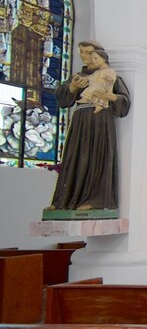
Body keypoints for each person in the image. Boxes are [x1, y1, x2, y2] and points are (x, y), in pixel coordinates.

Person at [47, 41, 131, 211]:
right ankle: (63, 201)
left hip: (100, 122)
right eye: (82, 53)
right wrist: (72, 87)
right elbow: (62, 100)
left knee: (95, 157)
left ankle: (95, 200)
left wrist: (111, 97)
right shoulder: (77, 77)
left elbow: (124, 103)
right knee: (74, 158)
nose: (85, 57)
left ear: (99, 55)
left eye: (89, 53)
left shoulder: (112, 76)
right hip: (80, 122)